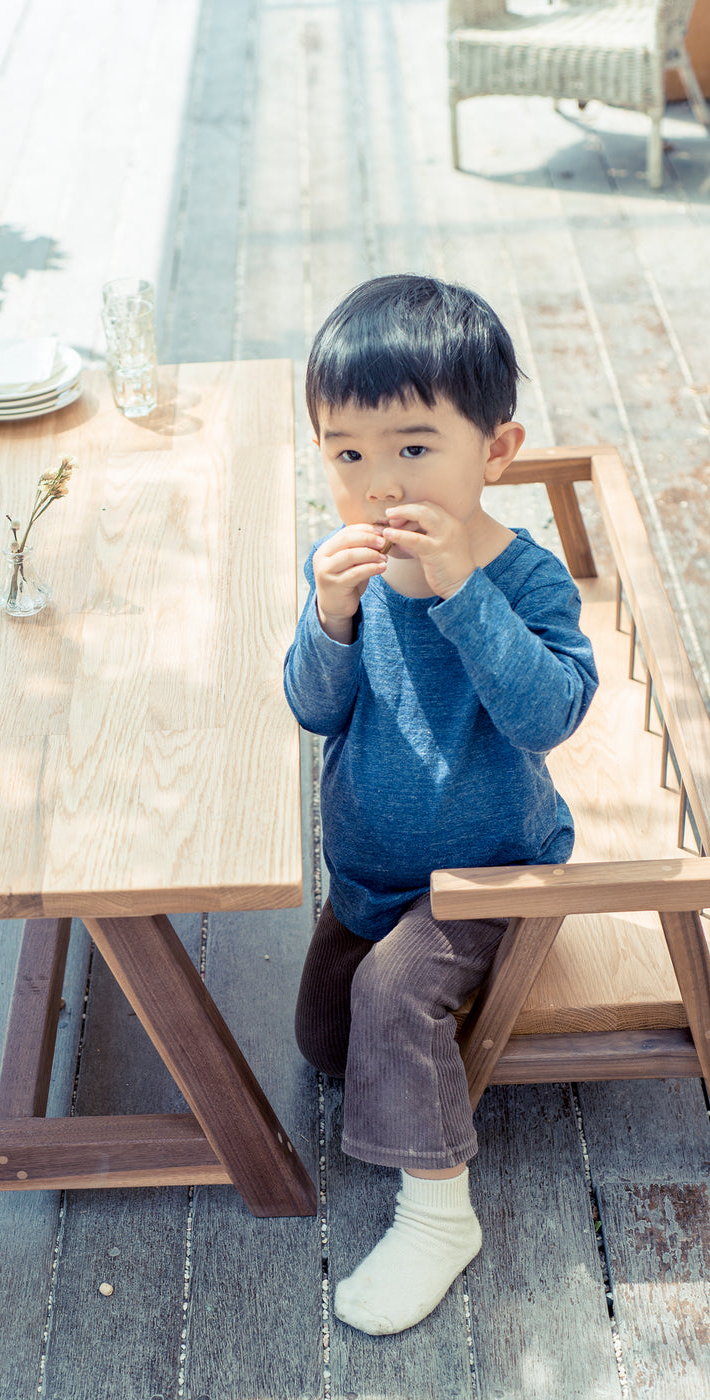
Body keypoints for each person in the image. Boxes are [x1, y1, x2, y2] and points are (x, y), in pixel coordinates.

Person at [284, 274, 598, 1336]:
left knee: (389, 997)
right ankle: (415, 1052)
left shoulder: (524, 580)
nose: (378, 483)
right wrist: (326, 616)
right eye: (347, 453)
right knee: (321, 1041)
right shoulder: (352, 571)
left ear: (493, 452)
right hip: (372, 873)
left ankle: (437, 1213)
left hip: (491, 871)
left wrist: (465, 592)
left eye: (414, 449)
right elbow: (313, 710)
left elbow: (548, 714)